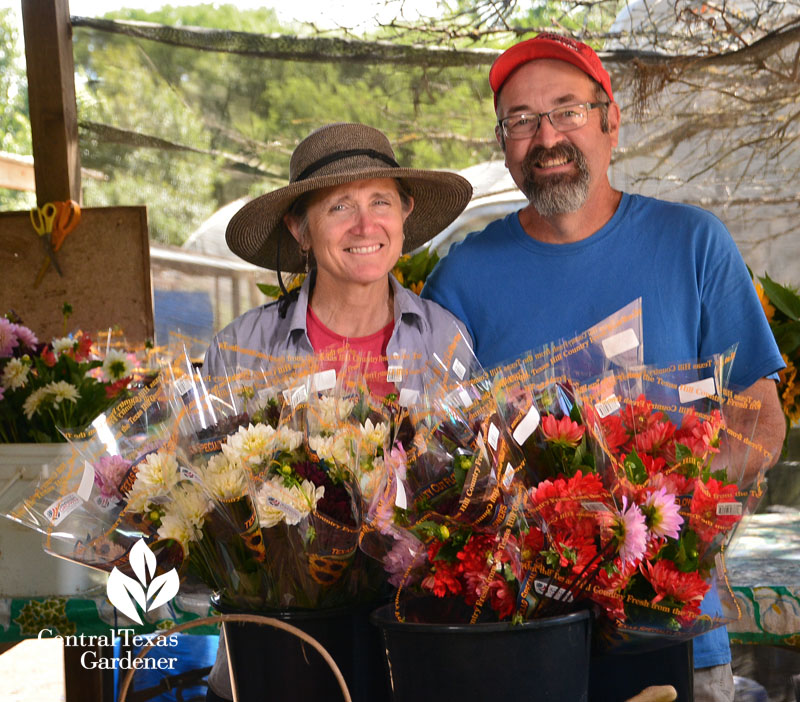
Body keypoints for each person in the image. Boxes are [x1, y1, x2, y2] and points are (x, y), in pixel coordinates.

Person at [421, 32, 786, 702]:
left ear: (611, 121)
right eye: (522, 121)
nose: (545, 136)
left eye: (568, 110)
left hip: (675, 629)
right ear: (504, 145)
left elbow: (761, 416)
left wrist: (659, 509)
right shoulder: (465, 276)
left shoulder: (693, 244)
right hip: (520, 639)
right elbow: (437, 453)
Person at [202, 122, 472, 701]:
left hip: (415, 654)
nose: (364, 225)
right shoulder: (243, 349)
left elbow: (475, 492)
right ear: (299, 229)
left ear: (405, 215)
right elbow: (201, 504)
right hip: (276, 659)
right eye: (339, 207)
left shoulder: (443, 340)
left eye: (381, 202)